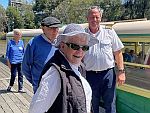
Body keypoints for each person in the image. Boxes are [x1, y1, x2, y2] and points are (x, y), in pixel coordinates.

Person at [29, 23, 98, 113]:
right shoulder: (55, 73)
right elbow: (35, 110)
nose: (80, 52)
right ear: (62, 46)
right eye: (75, 46)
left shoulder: (79, 68)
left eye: (84, 47)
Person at [83, 6, 126, 113]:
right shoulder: (82, 35)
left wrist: (121, 71)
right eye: (92, 17)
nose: (94, 20)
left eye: (97, 17)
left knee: (110, 105)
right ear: (87, 18)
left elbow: (118, 53)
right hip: (89, 75)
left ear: (101, 18)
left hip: (108, 75)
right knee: (92, 105)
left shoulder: (110, 33)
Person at [22, 17, 61, 93]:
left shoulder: (60, 42)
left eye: (56, 28)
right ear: (43, 29)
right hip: (41, 87)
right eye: (51, 28)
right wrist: (35, 82)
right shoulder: (33, 43)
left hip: (58, 85)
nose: (55, 31)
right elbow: (25, 67)